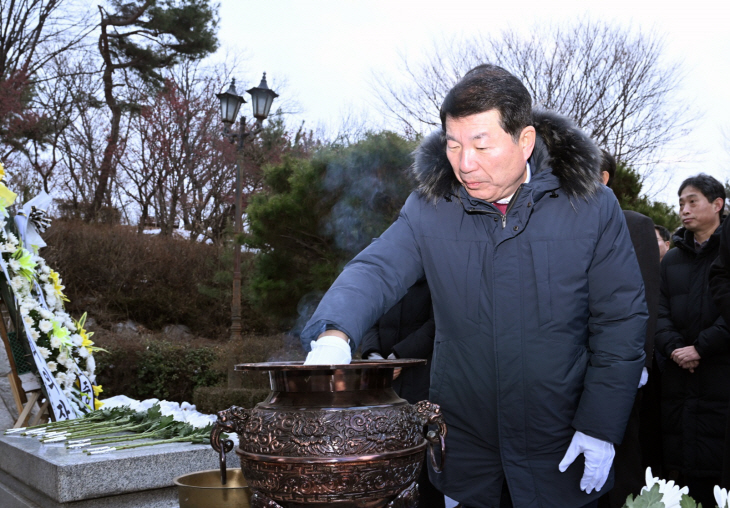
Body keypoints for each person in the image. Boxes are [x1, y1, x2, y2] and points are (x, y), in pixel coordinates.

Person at [302, 64, 647, 508]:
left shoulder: (590, 206)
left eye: (482, 144)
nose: (465, 164)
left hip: (560, 442)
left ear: (525, 141)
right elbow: (377, 269)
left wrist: (601, 425)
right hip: (465, 451)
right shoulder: (430, 207)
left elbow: (620, 320)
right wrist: (334, 333)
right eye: (454, 144)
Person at [655, 174, 730, 508]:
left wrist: (702, 346)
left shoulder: (726, 255)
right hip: (677, 377)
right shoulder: (672, 259)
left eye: (693, 201)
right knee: (676, 472)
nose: (684, 209)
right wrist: (673, 348)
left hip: (719, 373)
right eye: (680, 202)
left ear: (718, 204)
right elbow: (657, 310)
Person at [598, 152, 660, 508]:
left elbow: (646, 299)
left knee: (621, 459)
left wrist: (639, 364)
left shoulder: (634, 225)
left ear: (603, 178)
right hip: (571, 373)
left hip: (622, 368)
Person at [360, 278, 444, 508]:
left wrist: (399, 357)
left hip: (422, 379)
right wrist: (373, 356)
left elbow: (436, 323)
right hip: (380, 384)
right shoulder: (383, 279)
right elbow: (368, 319)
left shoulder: (433, 277)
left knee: (421, 465)